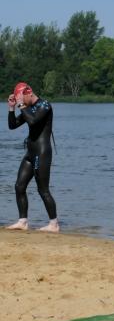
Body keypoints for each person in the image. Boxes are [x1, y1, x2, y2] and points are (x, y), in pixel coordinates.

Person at [6, 82, 59, 232]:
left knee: (43, 190)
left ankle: (54, 224)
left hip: (42, 153)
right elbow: (12, 125)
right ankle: (23, 222)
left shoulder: (45, 105)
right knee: (19, 186)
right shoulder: (28, 108)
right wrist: (11, 108)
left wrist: (21, 105)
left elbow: (33, 120)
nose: (21, 102)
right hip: (30, 153)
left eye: (21, 98)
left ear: (29, 92)